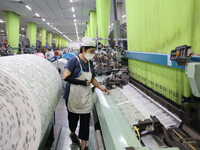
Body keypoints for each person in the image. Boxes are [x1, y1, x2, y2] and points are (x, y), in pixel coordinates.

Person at [63, 37, 110, 150]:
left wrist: (100, 87)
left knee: (85, 122)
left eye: (94, 51)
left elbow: (92, 78)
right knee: (73, 120)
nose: (93, 54)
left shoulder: (89, 63)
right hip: (72, 96)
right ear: (83, 49)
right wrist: (83, 82)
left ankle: (83, 146)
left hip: (85, 96)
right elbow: (66, 77)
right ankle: (73, 133)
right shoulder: (73, 61)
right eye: (91, 51)